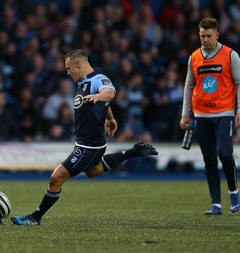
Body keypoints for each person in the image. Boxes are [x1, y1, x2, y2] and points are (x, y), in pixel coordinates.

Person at [10, 49, 158, 226]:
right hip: (87, 143)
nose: (67, 72)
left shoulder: (98, 79)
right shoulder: (83, 82)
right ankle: (132, 151)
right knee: (93, 171)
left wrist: (98, 96)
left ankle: (35, 218)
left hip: (89, 146)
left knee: (56, 178)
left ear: (78, 64)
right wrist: (110, 118)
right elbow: (106, 103)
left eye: (69, 68)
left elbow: (110, 93)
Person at [179, 18, 240, 215]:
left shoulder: (230, 55)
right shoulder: (194, 57)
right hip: (201, 114)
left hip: (224, 112)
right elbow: (189, 86)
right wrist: (185, 113)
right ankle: (216, 204)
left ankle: (233, 190)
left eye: (209, 36)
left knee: (224, 154)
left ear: (217, 34)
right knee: (208, 159)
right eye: (202, 36)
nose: (205, 40)